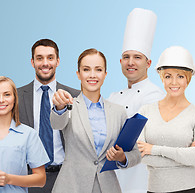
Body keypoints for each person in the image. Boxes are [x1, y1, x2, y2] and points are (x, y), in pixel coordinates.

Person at [49, 48, 141, 193]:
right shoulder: (68, 105)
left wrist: (122, 157)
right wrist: (59, 107)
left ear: (105, 74)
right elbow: (56, 124)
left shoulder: (118, 112)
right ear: (78, 74)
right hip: (71, 186)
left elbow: (136, 154)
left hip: (107, 186)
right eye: (86, 69)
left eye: (98, 70)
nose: (92, 75)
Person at [134, 46, 195, 193]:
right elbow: (139, 155)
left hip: (190, 189)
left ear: (188, 79)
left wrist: (154, 149)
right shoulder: (145, 111)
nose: (174, 82)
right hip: (154, 189)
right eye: (168, 76)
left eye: (180, 76)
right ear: (162, 78)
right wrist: (186, 154)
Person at [107, 8, 165, 193]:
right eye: (126, 57)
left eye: (137, 57)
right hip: (111, 178)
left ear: (148, 63)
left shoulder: (156, 95)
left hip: (141, 178)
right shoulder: (113, 97)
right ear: (120, 61)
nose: (130, 62)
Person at [17, 39, 80, 193]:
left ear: (57, 61)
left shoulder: (75, 96)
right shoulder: (17, 96)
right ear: (32, 62)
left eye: (50, 58)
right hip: (29, 177)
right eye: (39, 58)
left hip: (65, 176)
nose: (45, 63)